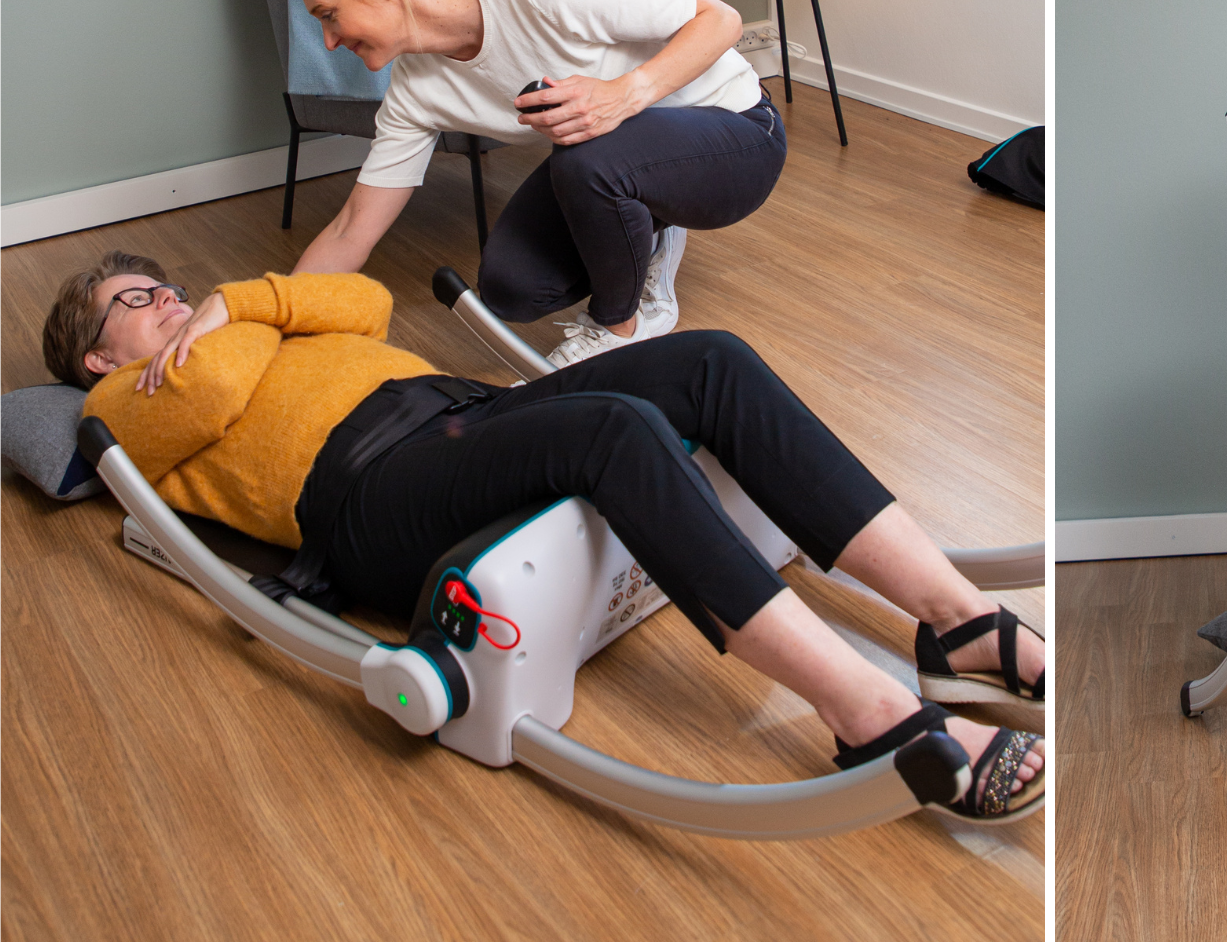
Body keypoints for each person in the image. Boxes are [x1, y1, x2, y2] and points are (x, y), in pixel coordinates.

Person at [45, 252, 1046, 821]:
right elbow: (218, 380)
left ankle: (957, 621)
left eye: (171, 286)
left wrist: (234, 301)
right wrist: (242, 313)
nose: (171, 300)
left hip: (457, 412)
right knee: (614, 428)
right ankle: (863, 708)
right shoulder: (125, 404)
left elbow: (365, 300)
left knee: (711, 359)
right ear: (97, 349)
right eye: (137, 300)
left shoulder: (226, 319)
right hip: (368, 495)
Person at [288, 0, 784, 367]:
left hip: (737, 131)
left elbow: (721, 19)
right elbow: (351, 229)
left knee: (589, 160)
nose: (329, 40)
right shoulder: (415, 90)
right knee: (511, 287)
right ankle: (650, 223)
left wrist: (624, 95)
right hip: (619, 159)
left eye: (329, 14)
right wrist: (268, 319)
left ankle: (621, 332)